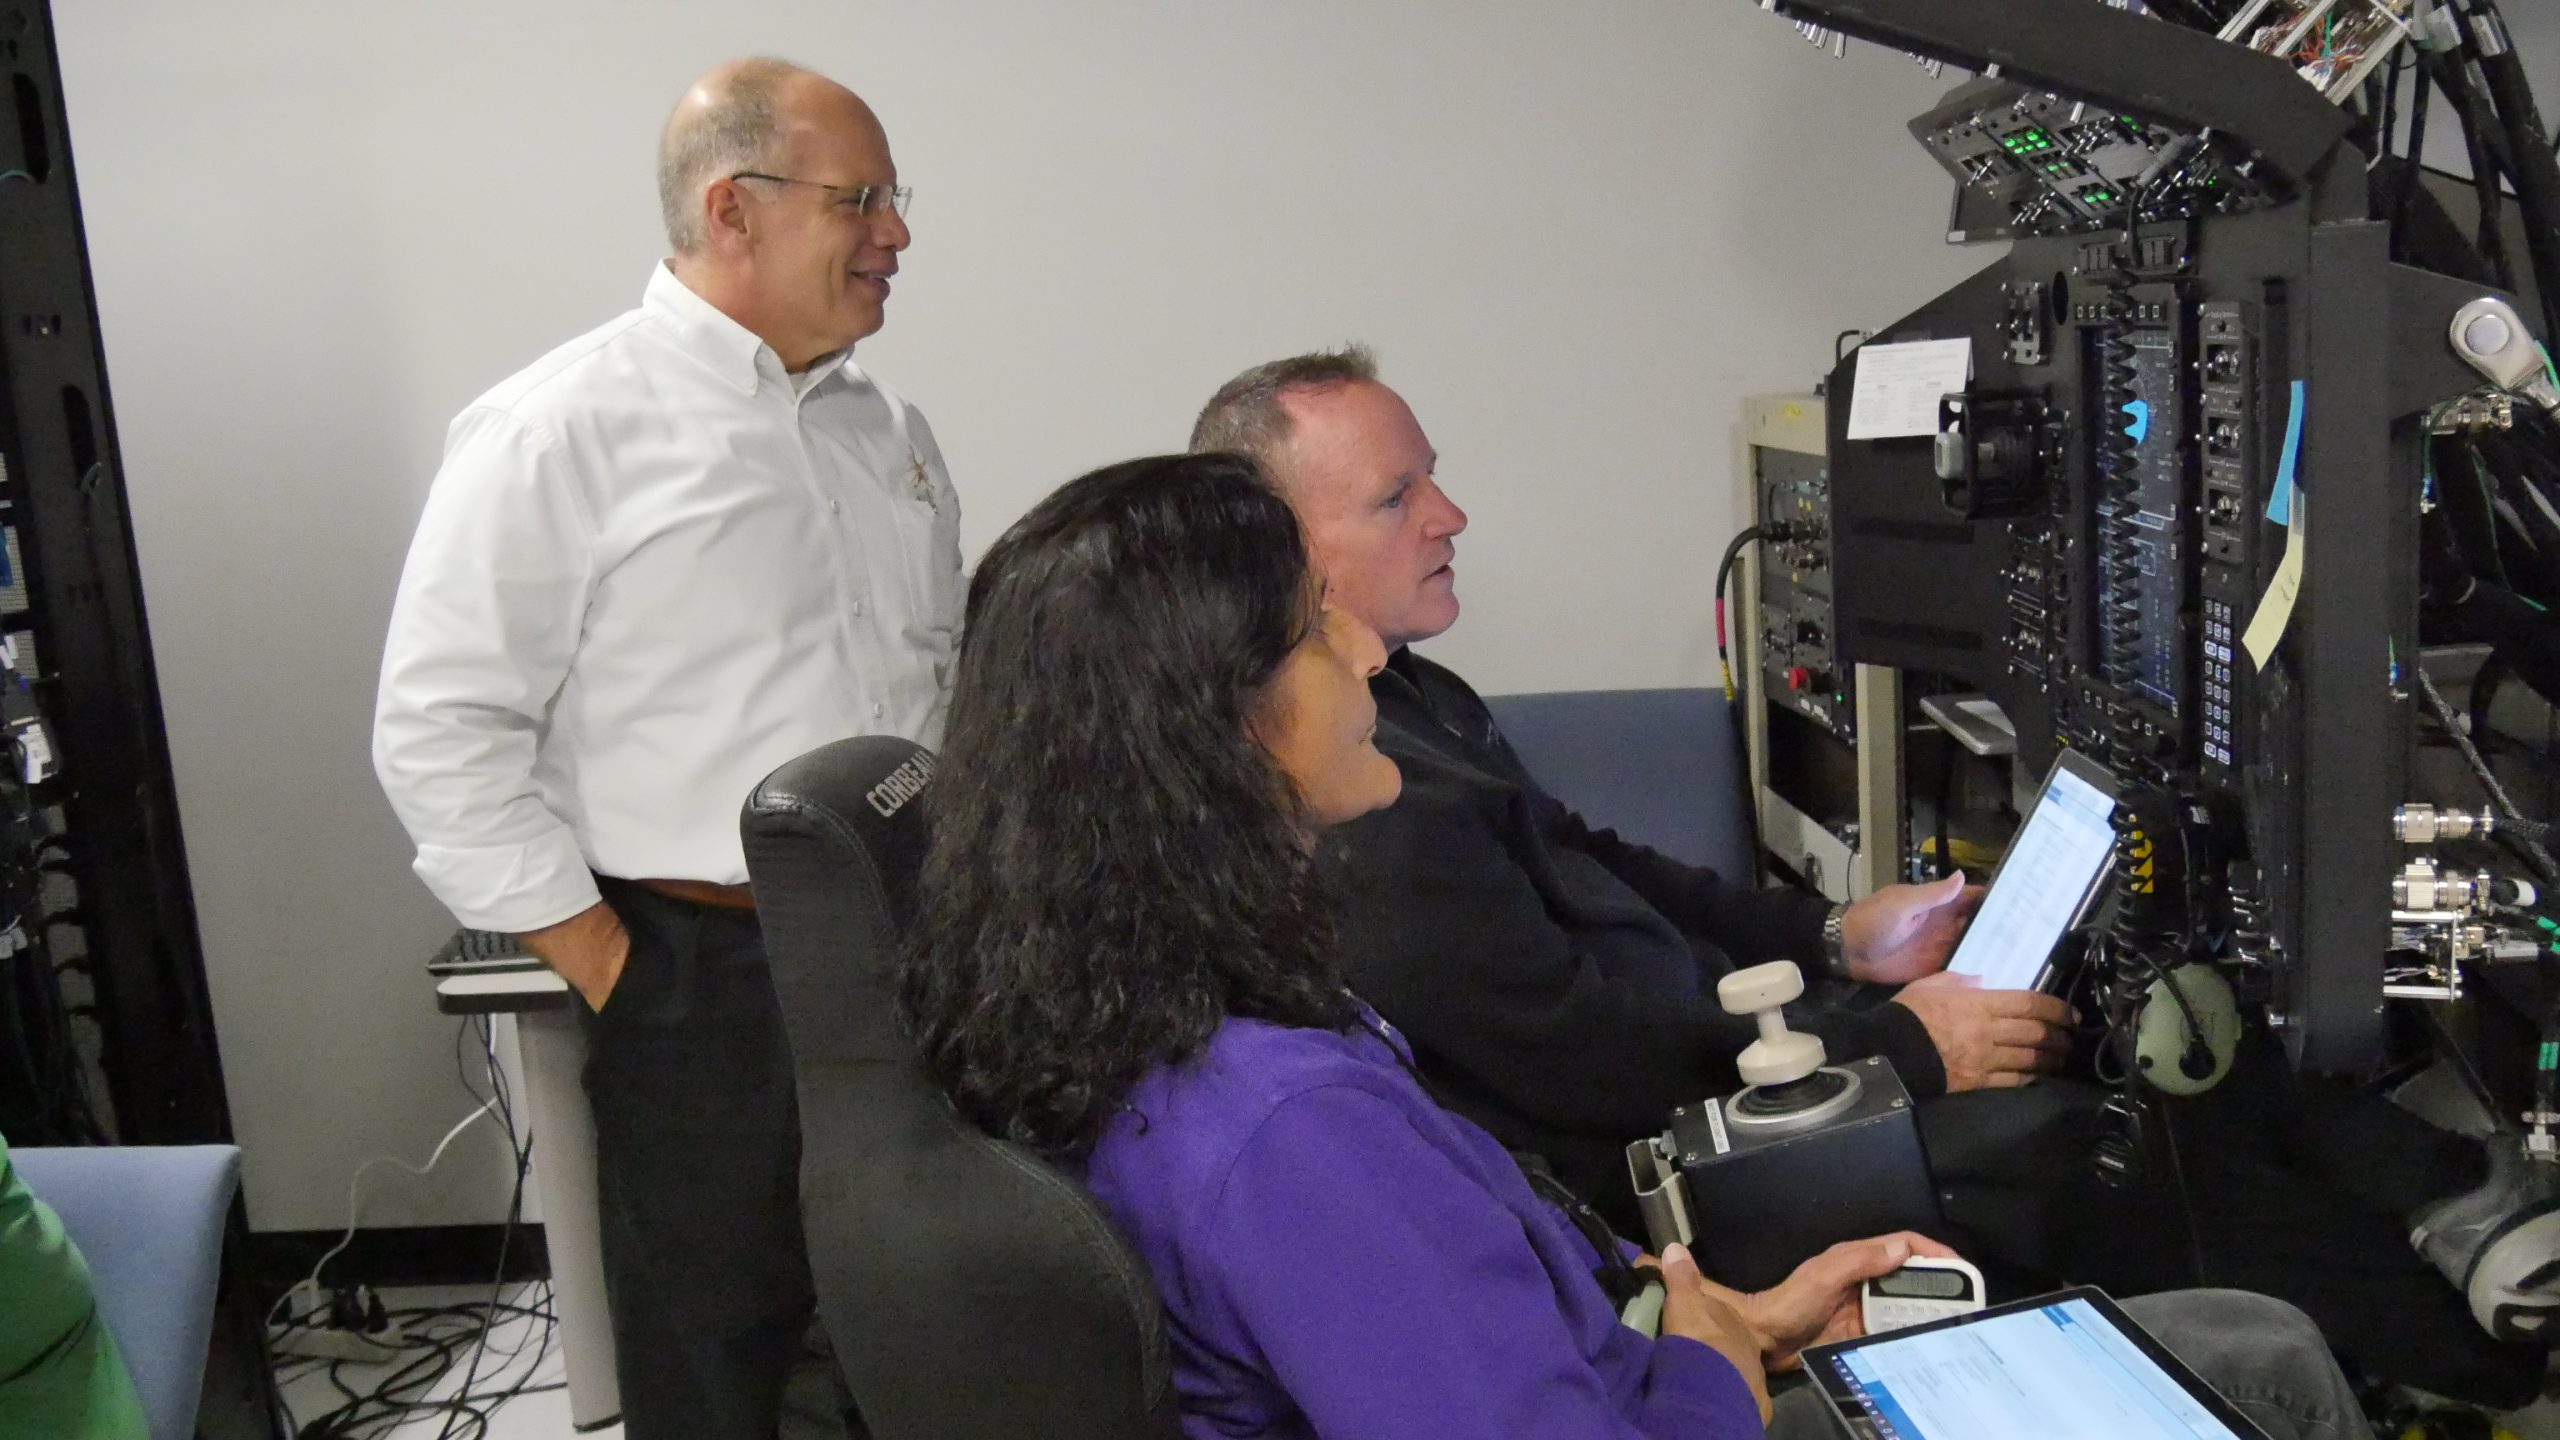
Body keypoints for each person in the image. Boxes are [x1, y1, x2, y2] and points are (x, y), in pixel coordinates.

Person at [897, 450, 2369, 1439]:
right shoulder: (1286, 1128)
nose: (1360, 652)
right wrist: (1717, 1369)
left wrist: (1719, 1318)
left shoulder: (1169, 1016)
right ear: (1211, 733)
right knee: (2270, 1366)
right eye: (1309, 629)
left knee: (2233, 1327)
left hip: (1662, 1370)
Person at [1185, 345, 2547, 1408]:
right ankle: (2474, 1365)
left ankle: (2446, 1196)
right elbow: (1594, 1064)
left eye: (1433, 473)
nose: (1450, 511)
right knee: (2086, 1131)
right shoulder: (1354, 800)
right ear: (1280, 547)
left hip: (1742, 1068)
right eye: (1396, 496)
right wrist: (1906, 1046)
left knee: (2132, 1014)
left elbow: (1606, 862)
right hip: (1686, 1172)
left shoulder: (1415, 693)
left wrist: (1842, 937)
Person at [373, 57, 954, 1439]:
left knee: (915, 1316)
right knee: (718, 1347)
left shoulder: (886, 433)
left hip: (918, 951)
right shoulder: (562, 428)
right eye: (859, 198)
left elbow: (933, 677)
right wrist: (607, 962)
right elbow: (439, 729)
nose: (897, 234)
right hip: (703, 970)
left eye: (894, 198)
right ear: (732, 209)